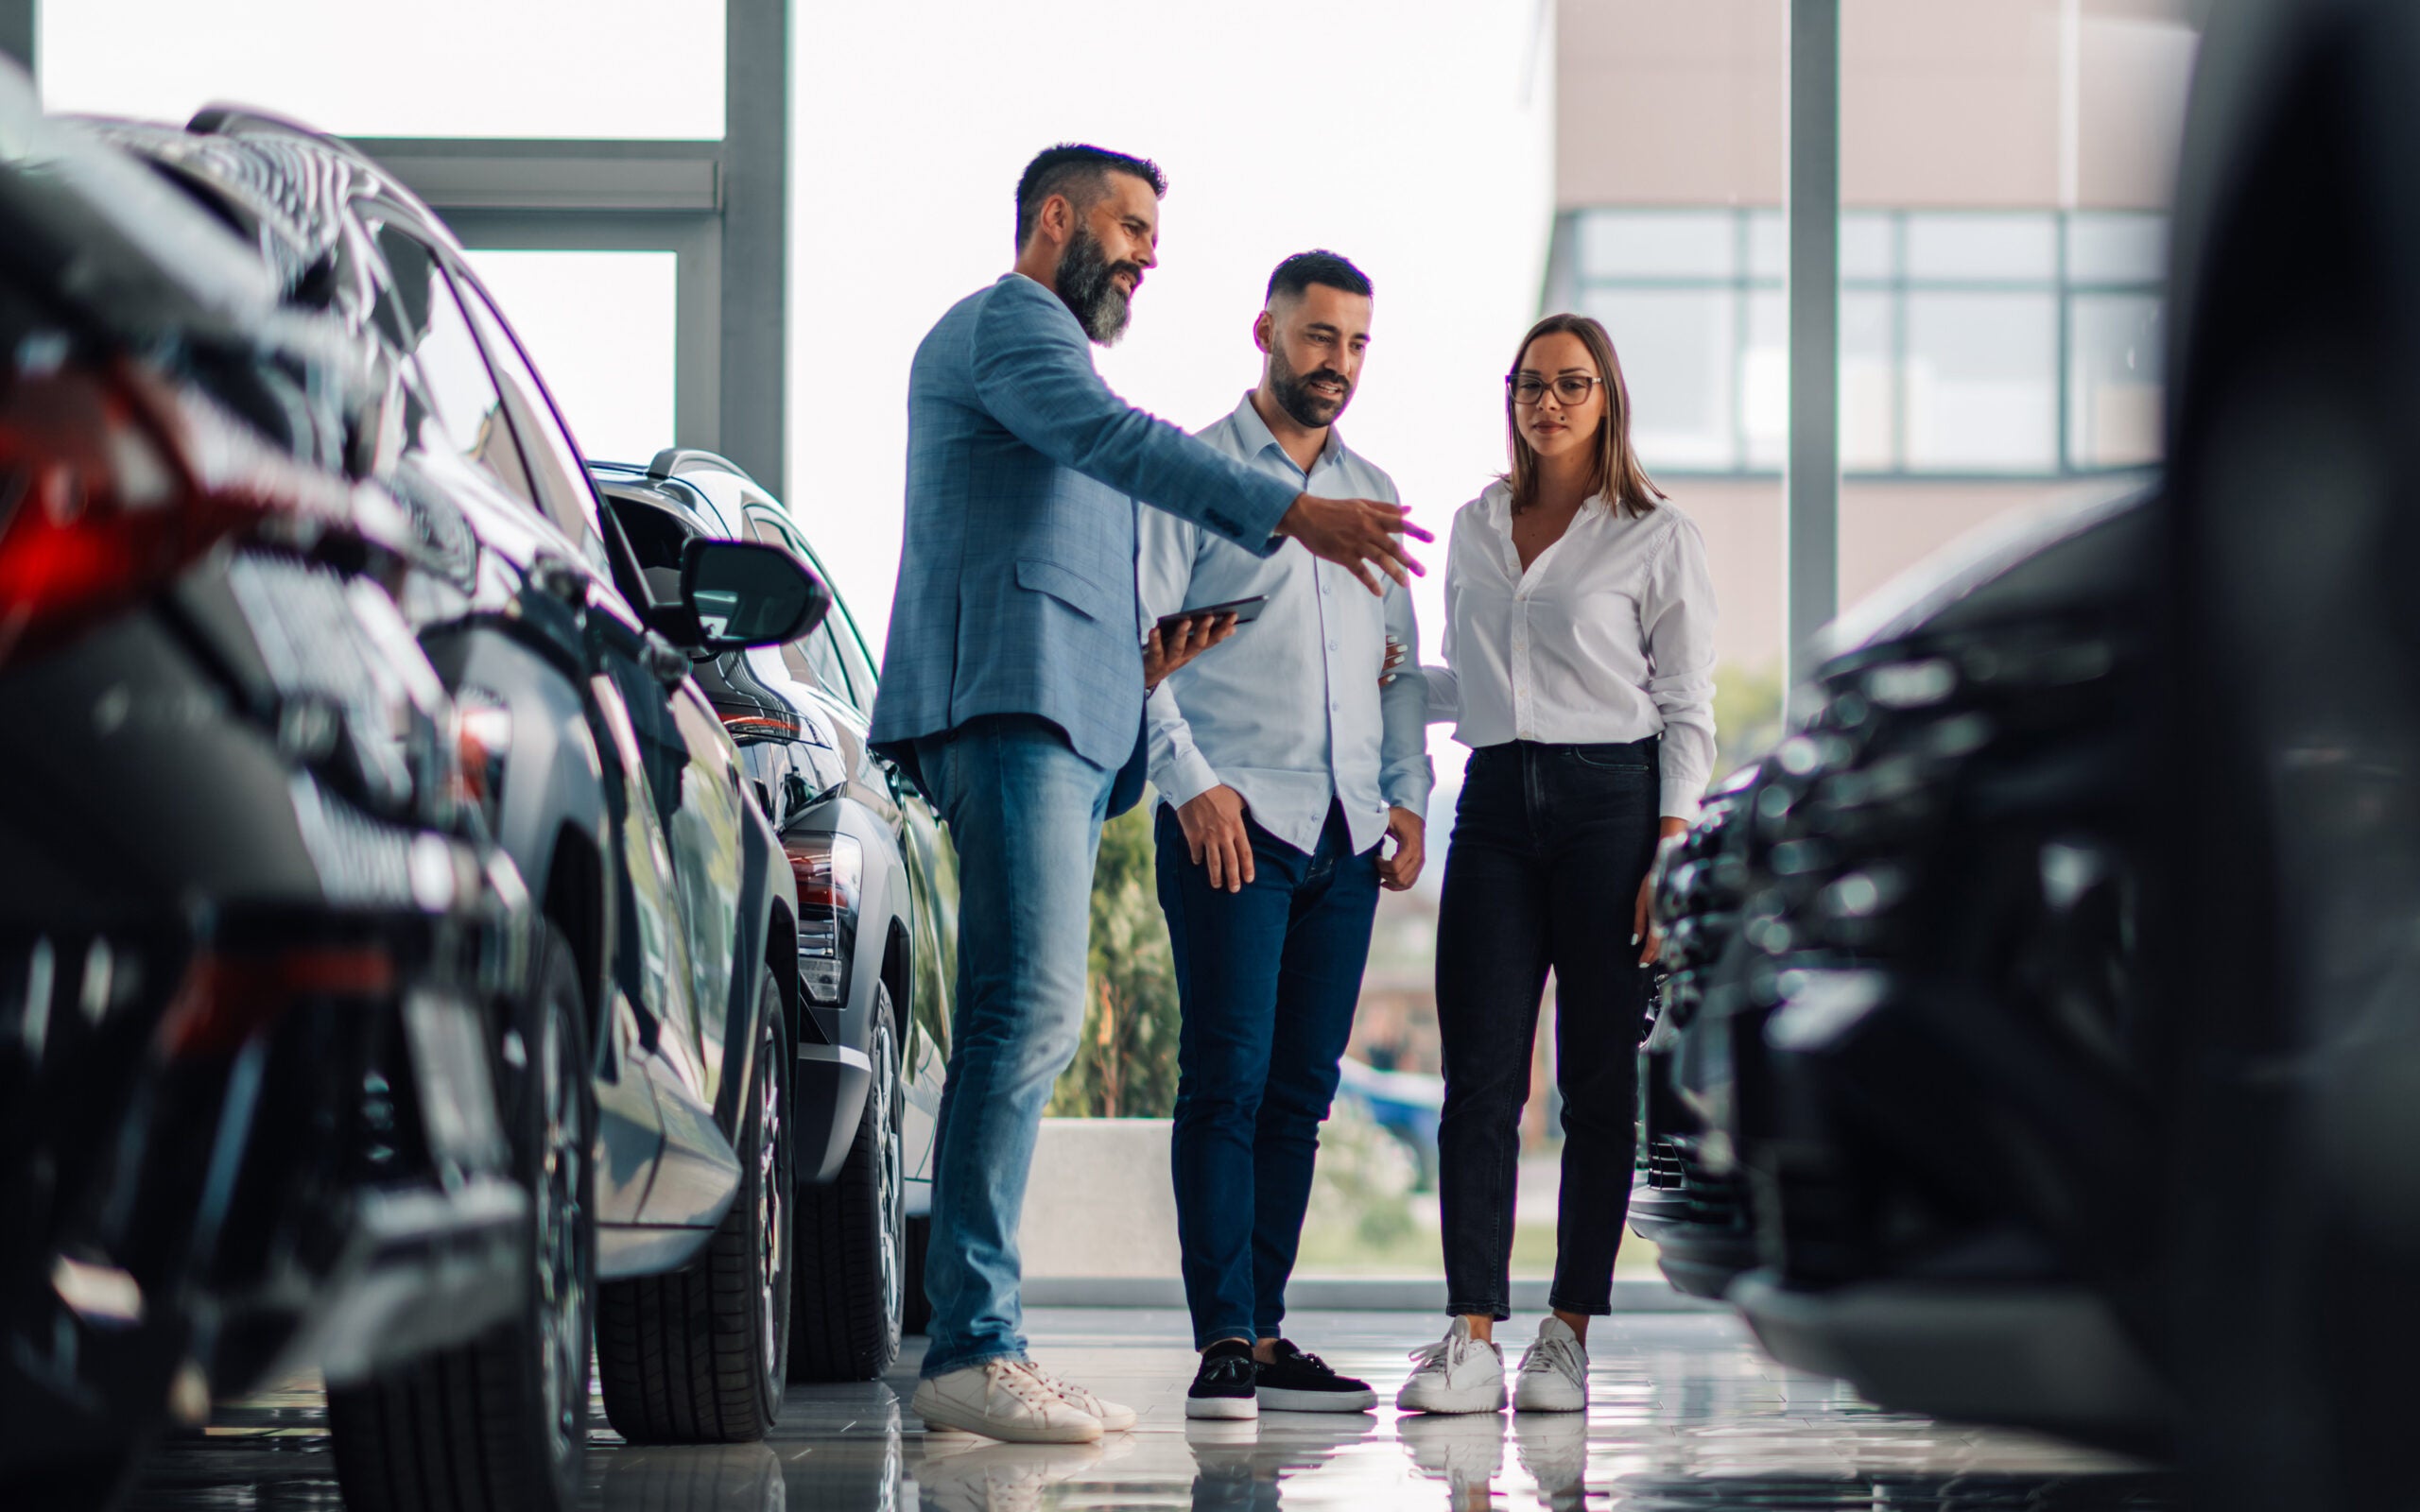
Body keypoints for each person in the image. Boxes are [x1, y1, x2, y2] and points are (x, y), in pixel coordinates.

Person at [870, 144, 1429, 1446]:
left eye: (1153, 236)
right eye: (1127, 227)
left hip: (1062, 714)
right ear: (1053, 217)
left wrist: (1147, 672)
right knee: (1026, 1019)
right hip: (1005, 704)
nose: (1145, 253)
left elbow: (1093, 576)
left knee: (1035, 1022)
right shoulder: (1010, 325)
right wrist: (1291, 514)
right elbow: (1113, 444)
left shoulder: (1048, 356)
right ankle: (971, 1344)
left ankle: (985, 1338)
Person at [1394, 313, 1717, 1416]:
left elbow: (1686, 708)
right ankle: (1470, 1334)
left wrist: (1669, 850)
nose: (1549, 402)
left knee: (1591, 1085)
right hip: (1491, 803)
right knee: (1478, 1076)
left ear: (1606, 397)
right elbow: (1478, 683)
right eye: (1532, 384)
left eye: (1572, 384)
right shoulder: (1476, 525)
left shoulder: (1655, 532)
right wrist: (1384, 685)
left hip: (1611, 809)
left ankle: (1567, 1334)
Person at [1135, 250, 1433, 1420]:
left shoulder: (1374, 486)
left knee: (1302, 1092)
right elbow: (1134, 639)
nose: (1338, 364)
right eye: (1319, 338)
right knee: (1225, 1080)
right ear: (1266, 330)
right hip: (1233, 825)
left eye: (1357, 344)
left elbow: (1394, 670)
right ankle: (1219, 1339)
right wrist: (1191, 784)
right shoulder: (1195, 475)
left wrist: (1406, 793)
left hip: (1347, 835)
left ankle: (1260, 1330)